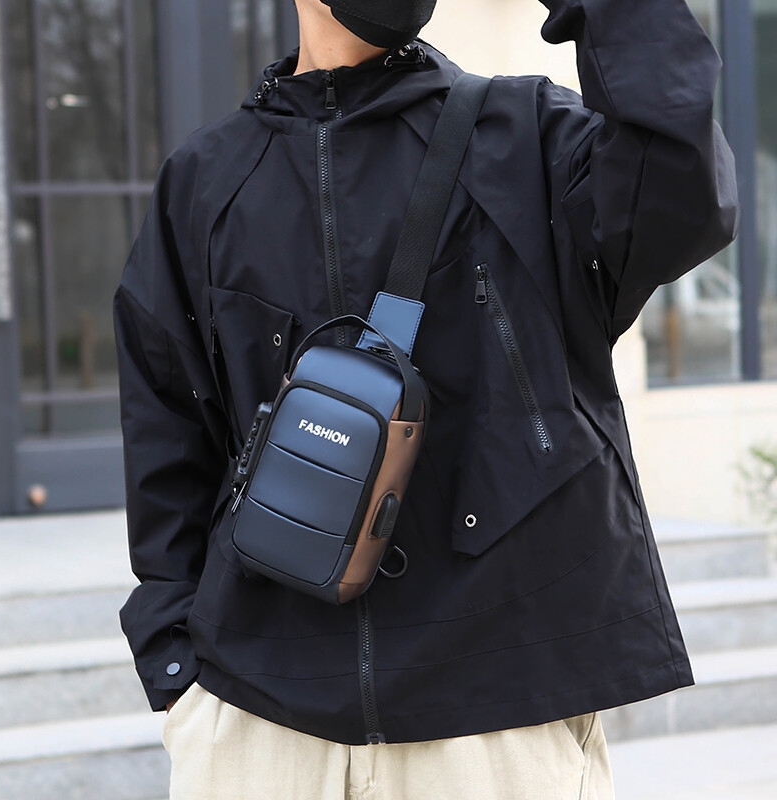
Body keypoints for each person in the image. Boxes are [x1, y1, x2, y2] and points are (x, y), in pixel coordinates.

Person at [114, 0, 738, 797]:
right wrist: (178, 669)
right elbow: (167, 433)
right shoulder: (205, 178)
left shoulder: (530, 140)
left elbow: (683, 191)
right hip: (259, 723)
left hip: (494, 720)